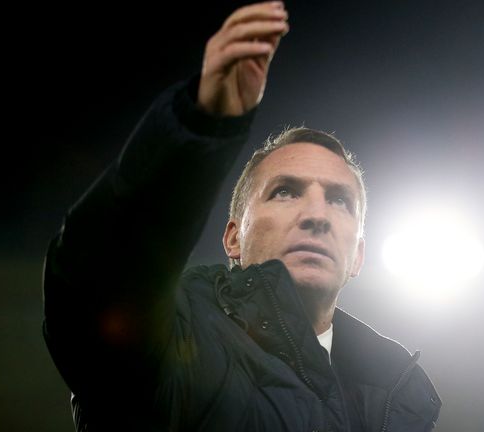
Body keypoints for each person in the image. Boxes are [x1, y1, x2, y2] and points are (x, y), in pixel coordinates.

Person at [42, 2, 441, 431]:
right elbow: (96, 284)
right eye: (285, 192)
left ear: (359, 256)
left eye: (340, 200)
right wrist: (200, 126)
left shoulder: (399, 392)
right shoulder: (177, 334)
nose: (317, 215)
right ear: (233, 237)